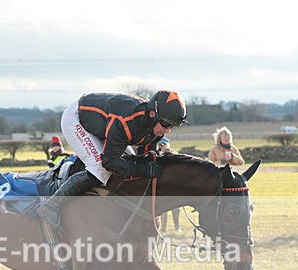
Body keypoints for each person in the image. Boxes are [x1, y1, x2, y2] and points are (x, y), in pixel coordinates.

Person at [36, 90, 189, 228]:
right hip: (78, 118)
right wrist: (142, 169)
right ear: (152, 114)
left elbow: (145, 157)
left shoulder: (156, 126)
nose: (167, 130)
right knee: (100, 168)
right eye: (166, 124)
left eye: (172, 126)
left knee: (130, 163)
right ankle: (51, 206)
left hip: (106, 123)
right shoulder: (127, 121)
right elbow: (109, 161)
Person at [156, 136, 181, 232]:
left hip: (174, 187)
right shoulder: (156, 156)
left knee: (176, 209)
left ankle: (177, 227)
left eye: (164, 144)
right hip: (162, 187)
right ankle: (163, 228)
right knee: (163, 211)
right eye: (160, 145)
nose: (161, 146)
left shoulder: (174, 155)